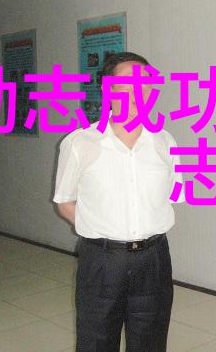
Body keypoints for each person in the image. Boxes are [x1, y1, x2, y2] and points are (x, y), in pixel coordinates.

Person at [53, 52, 184, 351]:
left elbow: (171, 196)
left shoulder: (165, 143)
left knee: (151, 343)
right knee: (96, 342)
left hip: (154, 260)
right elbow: (64, 201)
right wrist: (99, 227)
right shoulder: (80, 143)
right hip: (101, 261)